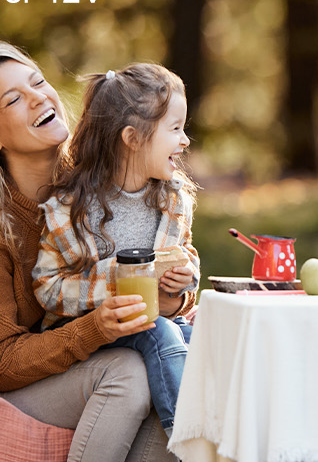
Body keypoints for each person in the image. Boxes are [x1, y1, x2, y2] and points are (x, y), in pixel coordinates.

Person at [0, 41, 176, 461]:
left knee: (168, 365)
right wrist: (98, 327)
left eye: (38, 81)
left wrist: (169, 295)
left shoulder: (95, 189)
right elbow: (0, 363)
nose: (39, 96)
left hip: (85, 360)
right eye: (15, 99)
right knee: (128, 374)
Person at [33, 63, 200, 438]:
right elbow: (47, 290)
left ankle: (227, 436)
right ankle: (186, 439)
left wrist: (184, 279)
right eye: (175, 129)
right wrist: (124, 278)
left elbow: (186, 258)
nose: (185, 140)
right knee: (159, 332)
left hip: (159, 321)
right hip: (91, 332)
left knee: (201, 337)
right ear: (133, 138)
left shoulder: (173, 199)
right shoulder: (69, 208)